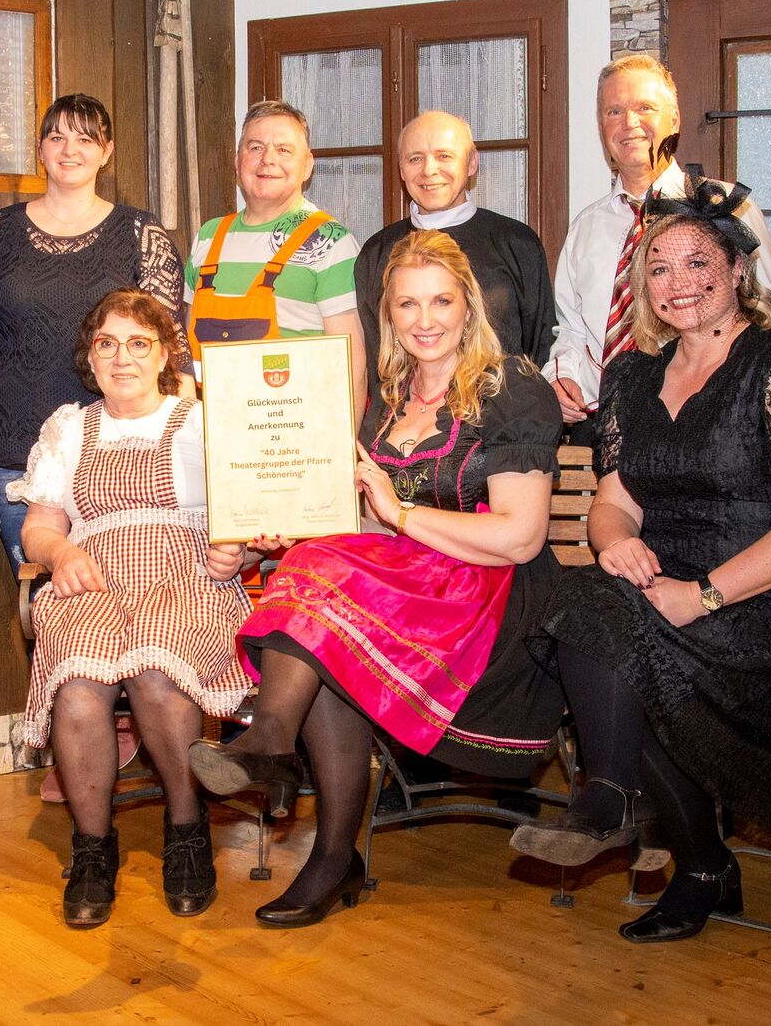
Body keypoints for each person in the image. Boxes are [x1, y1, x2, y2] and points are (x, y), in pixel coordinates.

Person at [515, 190, 771, 946]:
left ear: (739, 270)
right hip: (670, 580)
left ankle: (664, 838)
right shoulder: (632, 380)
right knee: (590, 604)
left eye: (697, 263)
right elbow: (614, 504)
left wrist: (705, 595)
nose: (677, 282)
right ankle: (646, 820)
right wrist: (614, 540)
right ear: (641, 286)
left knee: (633, 647)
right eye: (659, 268)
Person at [188, 229, 565, 928]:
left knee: (325, 605)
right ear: (386, 314)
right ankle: (325, 843)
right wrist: (284, 528)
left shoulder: (511, 387)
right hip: (406, 584)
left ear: (468, 304)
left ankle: (275, 750)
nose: (425, 320)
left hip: (490, 599)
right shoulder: (386, 399)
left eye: (441, 301)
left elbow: (520, 537)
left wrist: (400, 512)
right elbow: (359, 522)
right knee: (314, 592)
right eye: (407, 305)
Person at [16, 290, 251, 928]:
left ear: (165, 354)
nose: (122, 358)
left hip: (185, 575)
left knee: (155, 670)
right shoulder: (69, 428)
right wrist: (60, 551)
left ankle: (187, 829)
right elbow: (38, 528)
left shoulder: (201, 422)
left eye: (139, 343)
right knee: (79, 684)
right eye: (107, 344)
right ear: (90, 358)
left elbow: (249, 516)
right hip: (91, 576)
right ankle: (93, 848)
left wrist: (237, 552)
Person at [0, 94, 189, 571]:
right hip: (12, 453)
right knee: (45, 591)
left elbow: (168, 349)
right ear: (40, 149)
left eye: (85, 139)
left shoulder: (141, 235)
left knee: (126, 582)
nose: (69, 149)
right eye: (57, 137)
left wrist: (184, 440)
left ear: (107, 150)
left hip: (118, 455)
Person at [546, 54, 771, 441]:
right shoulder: (585, 228)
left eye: (644, 107)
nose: (629, 123)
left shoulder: (728, 207)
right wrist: (560, 378)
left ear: (674, 120)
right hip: (603, 424)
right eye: (613, 111)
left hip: (707, 425)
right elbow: (572, 330)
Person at [184, 100, 368, 413]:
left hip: (295, 432)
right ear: (237, 161)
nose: (268, 159)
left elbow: (352, 365)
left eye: (284, 150)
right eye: (255, 147)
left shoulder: (331, 241)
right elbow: (185, 356)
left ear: (307, 165)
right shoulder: (208, 236)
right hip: (212, 431)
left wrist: (345, 440)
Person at [355, 110, 555, 366]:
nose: (429, 170)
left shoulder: (517, 243)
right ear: (401, 169)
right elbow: (374, 359)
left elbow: (541, 348)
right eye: (415, 159)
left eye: (444, 156)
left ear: (471, 163)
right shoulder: (376, 252)